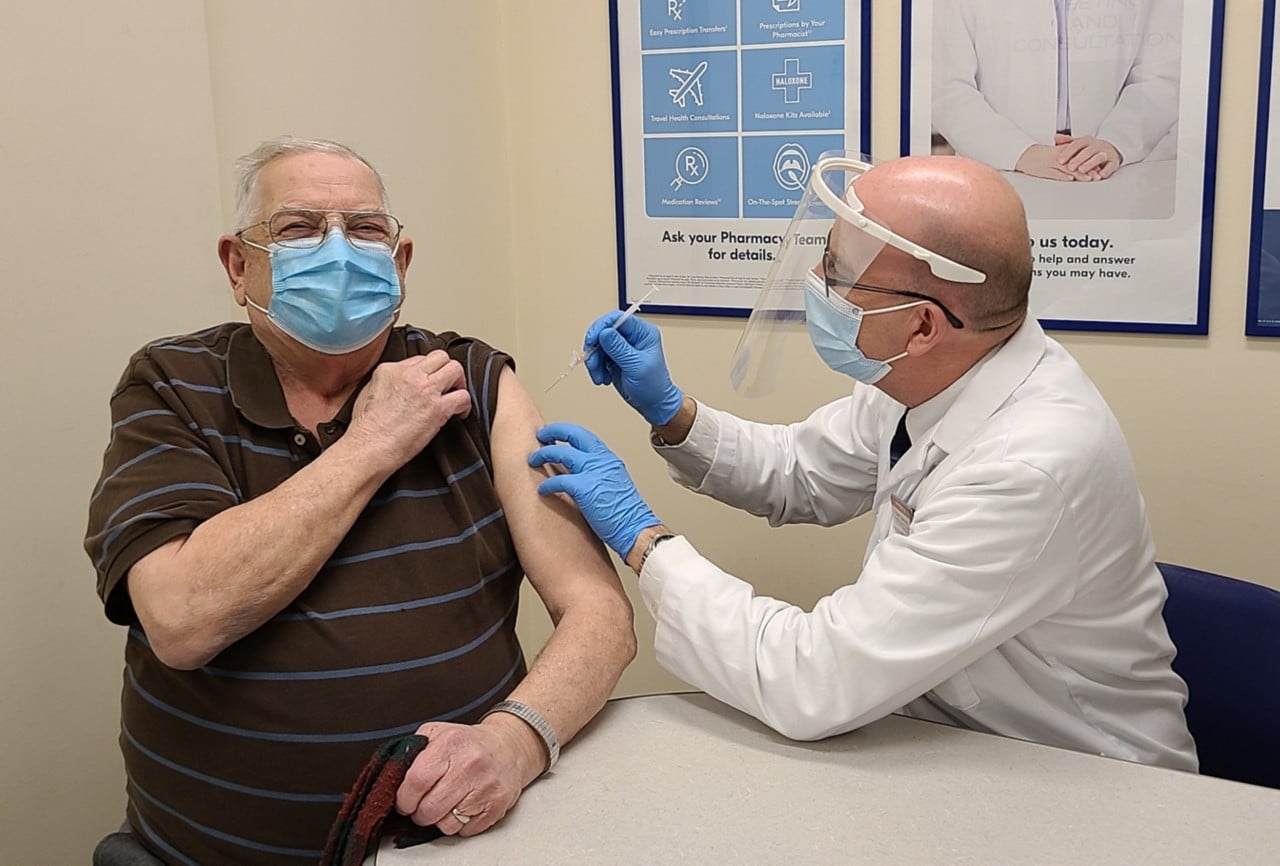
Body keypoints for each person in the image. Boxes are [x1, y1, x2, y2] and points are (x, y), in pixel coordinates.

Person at [530, 153, 1197, 771]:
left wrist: (643, 538)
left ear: (922, 325)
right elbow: (802, 471)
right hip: (949, 745)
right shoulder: (931, 374)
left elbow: (812, 681)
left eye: (840, 273)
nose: (819, 284)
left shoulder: (1028, 467)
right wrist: (672, 412)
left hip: (1081, 775)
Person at [84, 136, 636, 866]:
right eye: (299, 228)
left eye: (366, 229)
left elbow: (601, 616)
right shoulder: (172, 386)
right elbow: (183, 618)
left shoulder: (470, 382)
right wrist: (372, 443)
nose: (338, 251)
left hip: (452, 846)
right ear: (237, 264)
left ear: (399, 263)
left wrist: (515, 741)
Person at [931, 0, 1181, 182]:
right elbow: (946, 86)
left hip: (1111, 171)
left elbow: (1161, 76)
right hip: (998, 170)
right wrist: (1020, 153)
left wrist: (1115, 143)